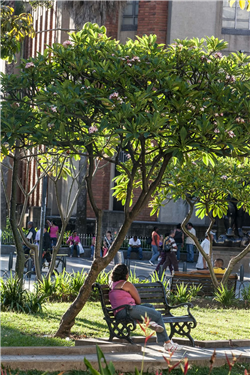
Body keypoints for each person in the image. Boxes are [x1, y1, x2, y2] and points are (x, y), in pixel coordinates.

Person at [109, 264, 182, 351]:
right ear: (125, 275)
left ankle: (151, 323)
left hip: (119, 312)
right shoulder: (126, 284)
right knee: (158, 315)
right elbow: (138, 301)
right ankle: (167, 343)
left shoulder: (112, 284)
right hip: (128, 310)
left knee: (150, 306)